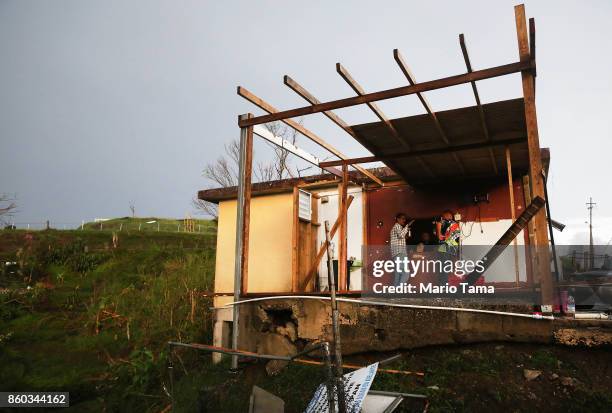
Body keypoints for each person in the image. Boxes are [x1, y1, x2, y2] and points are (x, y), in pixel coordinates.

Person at [435, 210, 460, 284]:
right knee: (444, 266)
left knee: (447, 266)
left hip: (450, 247)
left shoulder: (455, 224)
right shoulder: (440, 223)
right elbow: (440, 237)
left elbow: (457, 235)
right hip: (445, 247)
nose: (450, 217)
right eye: (449, 216)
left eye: (451, 216)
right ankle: (443, 284)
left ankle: (445, 283)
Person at [390, 213, 411, 286]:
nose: (404, 220)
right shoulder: (397, 226)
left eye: (405, 219)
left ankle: (395, 293)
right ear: (398, 219)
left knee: (398, 275)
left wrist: (407, 230)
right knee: (406, 273)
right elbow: (401, 235)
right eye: (402, 218)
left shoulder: (399, 227)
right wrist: (407, 226)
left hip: (397, 253)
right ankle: (399, 290)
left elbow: (403, 237)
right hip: (400, 252)